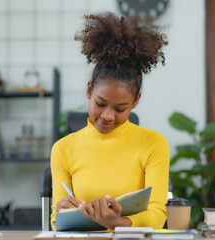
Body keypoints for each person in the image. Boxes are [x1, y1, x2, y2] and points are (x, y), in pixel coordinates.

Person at [50, 12, 169, 231]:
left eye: (120, 108)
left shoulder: (154, 144)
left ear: (135, 102)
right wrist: (62, 211)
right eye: (101, 103)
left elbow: (157, 214)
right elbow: (56, 221)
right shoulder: (63, 149)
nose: (107, 115)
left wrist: (119, 224)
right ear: (89, 90)